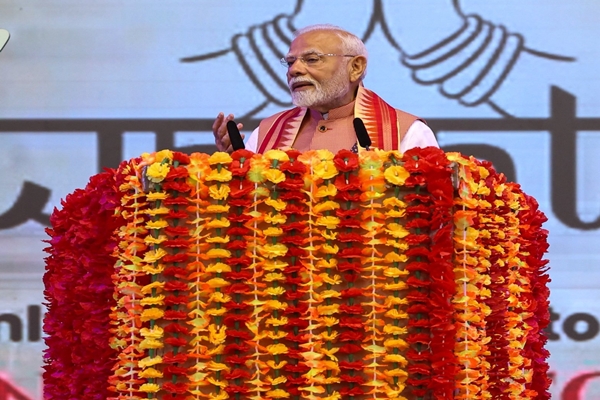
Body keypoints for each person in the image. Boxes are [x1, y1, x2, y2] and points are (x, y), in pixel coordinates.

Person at [212, 24, 438, 154]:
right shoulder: (267, 132)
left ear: (356, 67)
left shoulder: (406, 132)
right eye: (290, 62)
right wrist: (235, 166)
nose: (294, 70)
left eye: (312, 59)